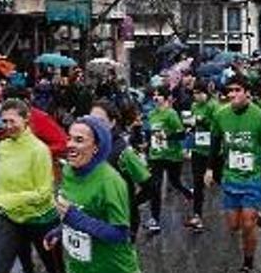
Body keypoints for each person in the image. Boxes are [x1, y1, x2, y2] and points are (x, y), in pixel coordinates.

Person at [44, 116, 144, 273]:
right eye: (70, 138)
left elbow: (120, 234)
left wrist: (76, 219)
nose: (70, 144)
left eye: (79, 140)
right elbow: (80, 212)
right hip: (79, 272)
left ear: (96, 148)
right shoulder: (68, 171)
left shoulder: (110, 181)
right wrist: (60, 231)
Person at [0, 99, 62, 273]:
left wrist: (7, 200)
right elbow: (3, 182)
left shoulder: (39, 150)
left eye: (12, 121)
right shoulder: (2, 147)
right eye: (4, 121)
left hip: (41, 220)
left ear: (26, 119)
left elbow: (44, 192)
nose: (7, 126)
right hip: (11, 218)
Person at [205, 75, 261, 273]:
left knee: (247, 225)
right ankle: (253, 214)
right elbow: (215, 143)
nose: (232, 94)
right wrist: (209, 169)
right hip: (231, 177)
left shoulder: (260, 116)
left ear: (247, 92)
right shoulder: (220, 114)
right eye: (230, 91)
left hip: (252, 178)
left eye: (237, 90)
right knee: (233, 226)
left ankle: (248, 265)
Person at [89, 100, 152, 241]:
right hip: (96, 218)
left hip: (121, 221)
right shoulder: (90, 145)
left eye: (100, 121)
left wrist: (130, 203)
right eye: (91, 120)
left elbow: (149, 185)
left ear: (112, 123)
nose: (94, 125)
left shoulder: (123, 152)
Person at [145, 86, 192, 232]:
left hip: (172, 155)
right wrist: (146, 145)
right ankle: (155, 220)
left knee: (175, 182)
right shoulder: (151, 114)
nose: (156, 97)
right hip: (156, 155)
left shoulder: (171, 114)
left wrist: (167, 136)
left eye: (159, 95)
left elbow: (181, 134)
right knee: (155, 187)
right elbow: (151, 133)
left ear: (166, 98)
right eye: (155, 95)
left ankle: (189, 193)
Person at [186, 82, 219, 231]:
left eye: (200, 93)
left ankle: (241, 208)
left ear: (207, 93)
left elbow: (216, 127)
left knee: (220, 180)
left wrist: (201, 121)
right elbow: (193, 127)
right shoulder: (194, 106)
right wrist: (190, 126)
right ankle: (197, 216)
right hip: (198, 149)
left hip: (213, 151)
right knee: (197, 183)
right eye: (195, 93)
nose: (197, 96)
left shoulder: (214, 106)